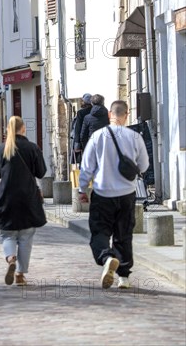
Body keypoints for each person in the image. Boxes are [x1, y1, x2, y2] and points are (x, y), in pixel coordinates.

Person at [78, 100, 149, 289]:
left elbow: (87, 166)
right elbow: (144, 166)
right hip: (127, 193)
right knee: (123, 235)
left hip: (102, 193)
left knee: (99, 232)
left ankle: (106, 257)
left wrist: (82, 189)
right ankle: (124, 277)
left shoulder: (98, 136)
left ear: (110, 114)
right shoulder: (135, 137)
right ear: (127, 114)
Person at [0, 116, 47, 286]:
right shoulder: (32, 148)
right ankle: (20, 274)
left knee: (7, 232)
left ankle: (10, 257)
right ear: (23, 128)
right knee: (26, 236)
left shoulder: (2, 148)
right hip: (28, 196)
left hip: (6, 196)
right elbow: (41, 172)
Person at [70, 93, 92, 166]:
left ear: (84, 102)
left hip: (83, 141)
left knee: (83, 162)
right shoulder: (95, 111)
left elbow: (78, 128)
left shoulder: (81, 113)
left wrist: (77, 144)